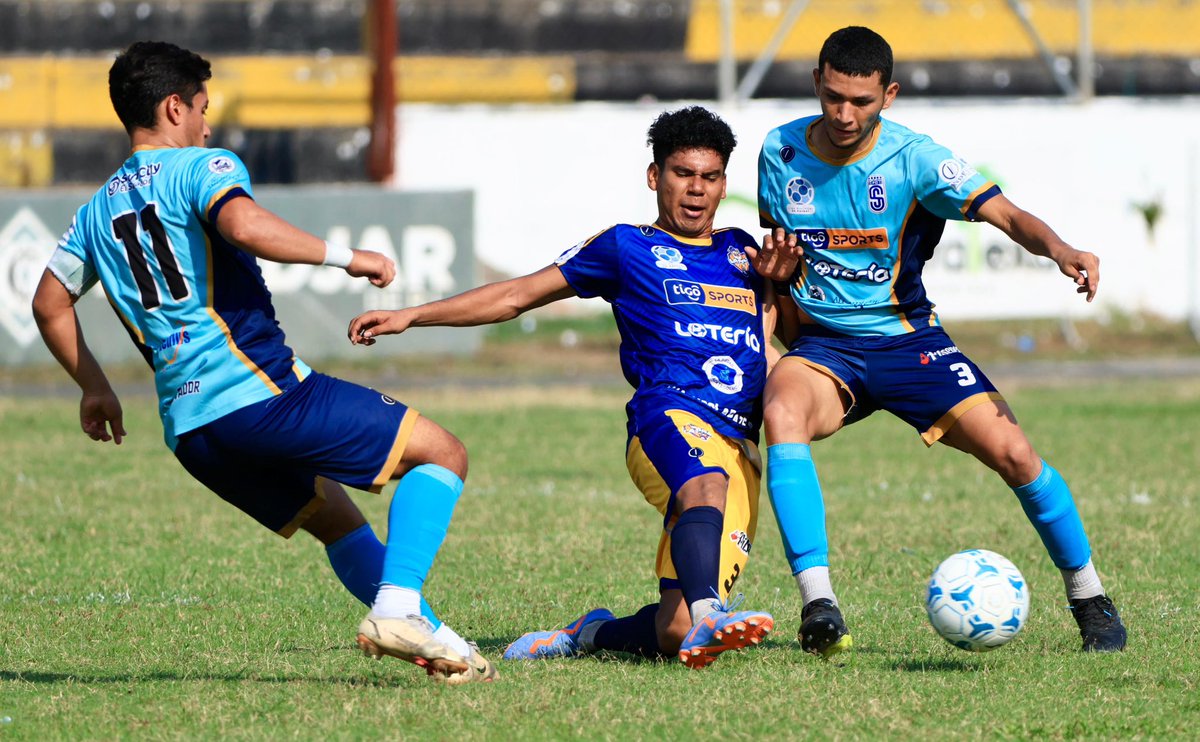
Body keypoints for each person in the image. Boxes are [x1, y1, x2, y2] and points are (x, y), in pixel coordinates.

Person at [31, 41, 496, 684]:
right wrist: (350, 257)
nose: (206, 121)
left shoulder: (94, 213)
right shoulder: (199, 165)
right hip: (259, 393)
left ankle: (437, 640)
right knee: (443, 453)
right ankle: (396, 609)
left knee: (337, 521)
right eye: (201, 107)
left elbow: (49, 301)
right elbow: (246, 227)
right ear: (174, 107)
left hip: (192, 431)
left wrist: (94, 388)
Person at [349, 106, 799, 668]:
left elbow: (779, 339)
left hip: (742, 444)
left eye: (709, 178)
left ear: (724, 184)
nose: (696, 190)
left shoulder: (745, 254)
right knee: (703, 489)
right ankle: (711, 610)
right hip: (670, 418)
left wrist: (778, 288)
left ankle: (592, 633)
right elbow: (517, 296)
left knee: (673, 631)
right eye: (683, 174)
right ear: (655, 176)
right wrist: (413, 316)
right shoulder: (625, 247)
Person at [757, 25, 1127, 657]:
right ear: (816, 82)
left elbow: (1005, 214)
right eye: (835, 97)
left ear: (889, 96)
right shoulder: (779, 151)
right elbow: (782, 266)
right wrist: (778, 306)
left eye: (863, 102)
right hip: (826, 348)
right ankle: (819, 605)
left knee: (1014, 451)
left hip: (909, 343)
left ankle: (1089, 598)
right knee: (780, 412)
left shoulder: (917, 160)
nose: (845, 114)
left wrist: (1061, 249)